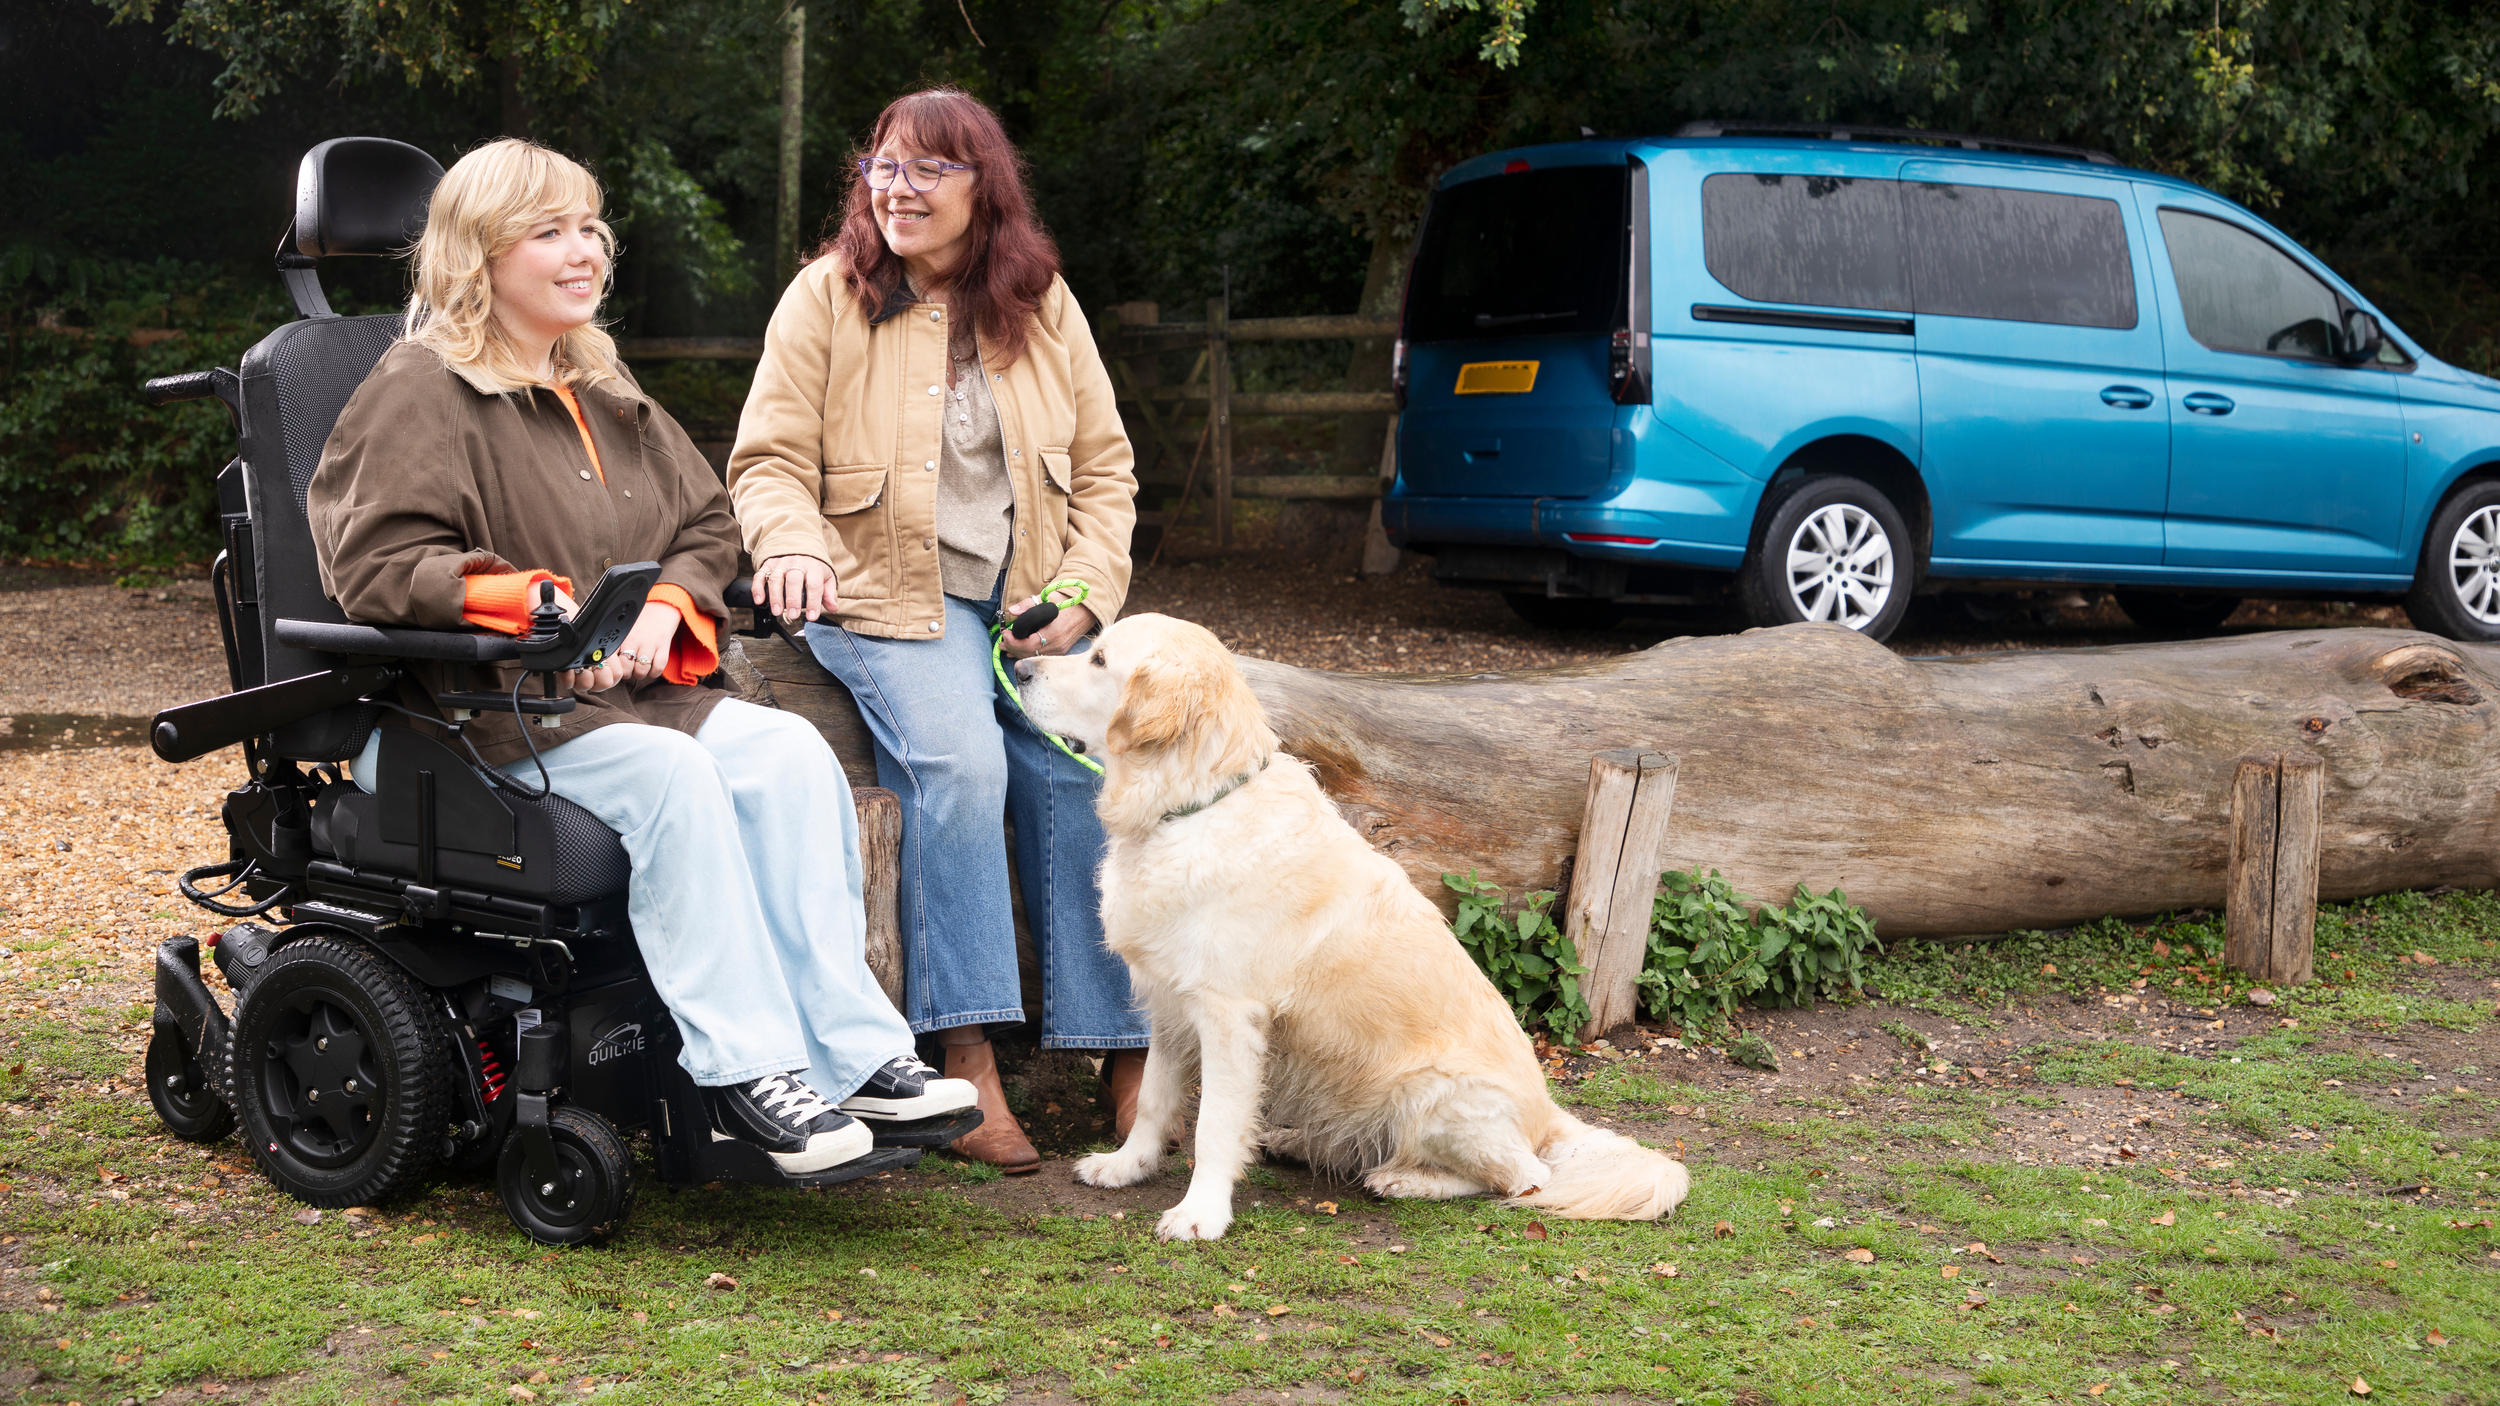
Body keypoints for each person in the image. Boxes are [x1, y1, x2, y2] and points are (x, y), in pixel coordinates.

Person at [306, 137, 974, 1176]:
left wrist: (667, 601)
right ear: (479, 256)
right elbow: (374, 560)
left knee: (792, 755)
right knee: (676, 779)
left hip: (635, 699)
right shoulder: (420, 386)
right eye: (548, 233)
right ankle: (748, 1072)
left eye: (588, 228)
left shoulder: (599, 383)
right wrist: (520, 599)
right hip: (485, 717)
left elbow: (708, 520)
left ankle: (855, 1055)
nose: (584, 253)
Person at [728, 88, 1147, 1174]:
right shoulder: (826, 297)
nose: (898, 187)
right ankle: (964, 1055)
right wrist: (791, 544)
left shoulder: (1040, 301)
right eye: (883, 165)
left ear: (983, 188)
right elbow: (767, 459)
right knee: (959, 768)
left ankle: (1123, 1048)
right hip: (880, 594)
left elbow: (1104, 470)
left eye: (928, 169)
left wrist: (1087, 593)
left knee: (1075, 771)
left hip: (1020, 600)